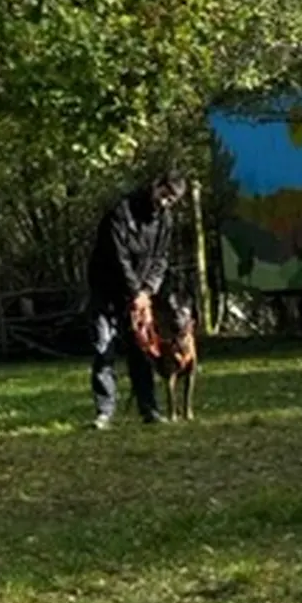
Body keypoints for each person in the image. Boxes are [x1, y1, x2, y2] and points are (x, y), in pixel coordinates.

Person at [86, 172, 187, 428]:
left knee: (142, 350)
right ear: (156, 185)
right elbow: (117, 258)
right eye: (164, 196)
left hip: (140, 294)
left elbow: (161, 259)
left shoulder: (165, 220)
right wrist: (134, 292)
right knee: (103, 349)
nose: (165, 203)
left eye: (171, 200)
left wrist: (147, 291)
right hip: (106, 289)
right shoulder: (120, 213)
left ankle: (149, 410)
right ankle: (104, 413)